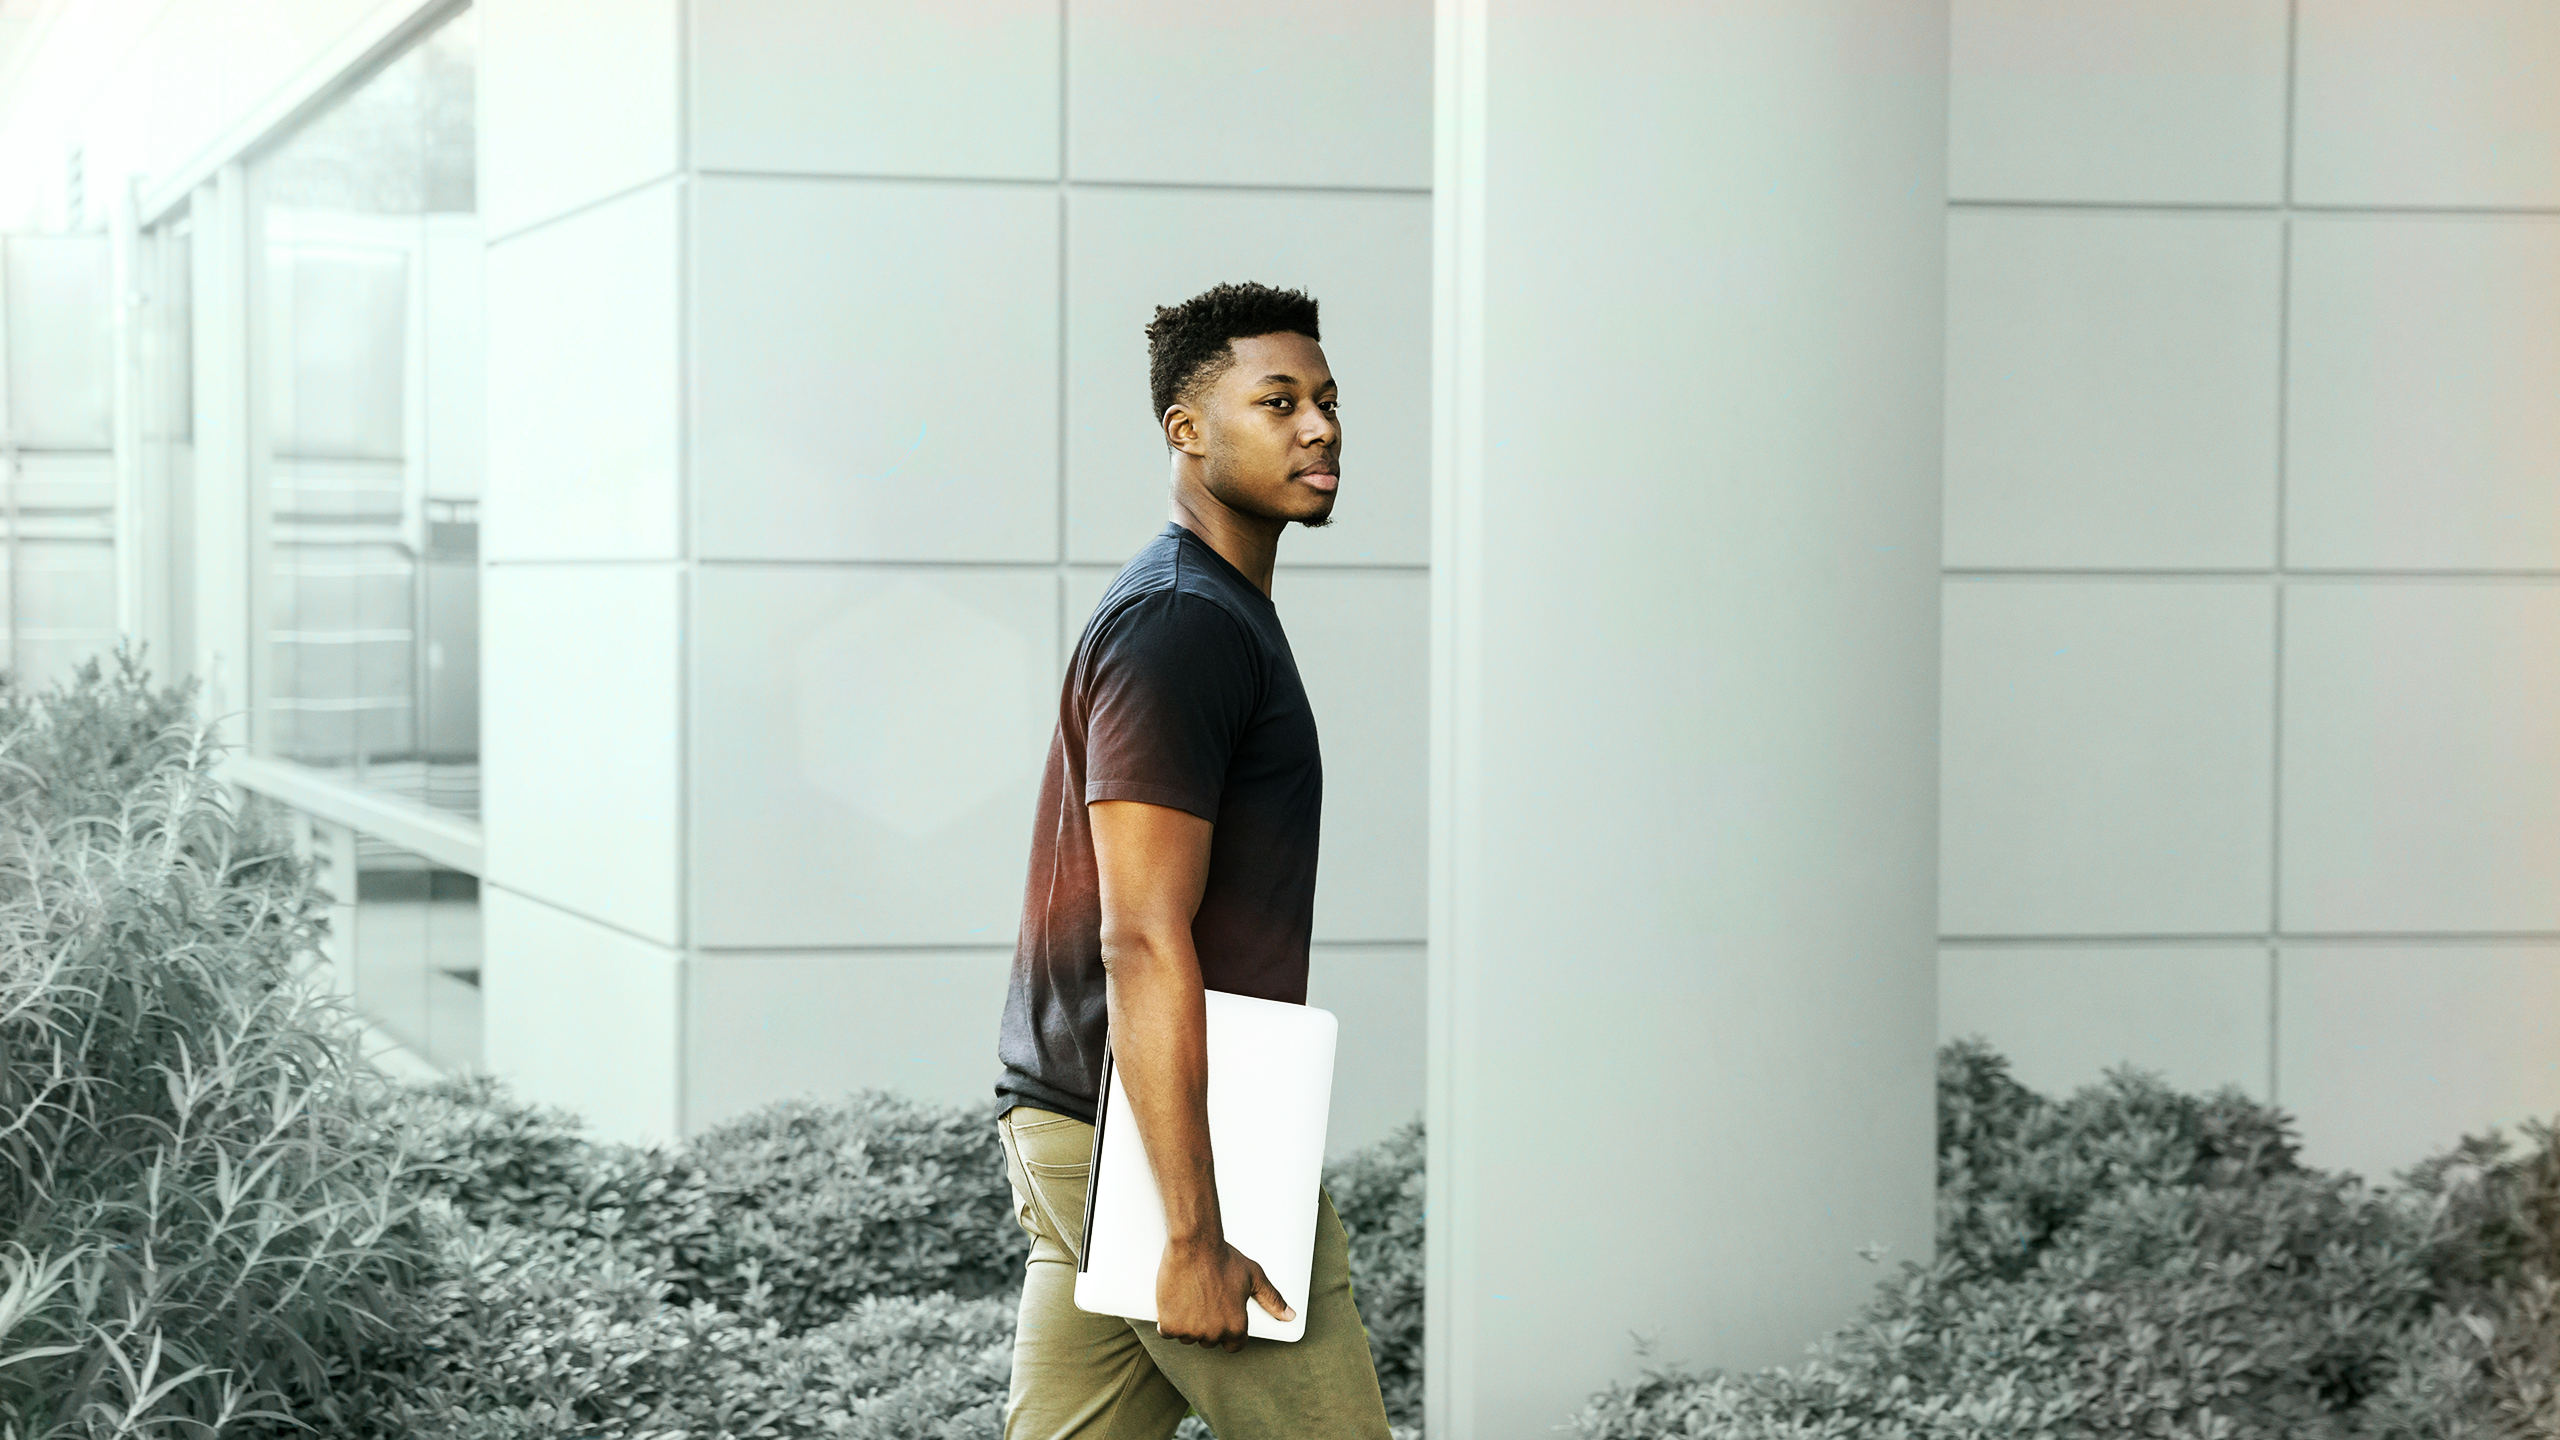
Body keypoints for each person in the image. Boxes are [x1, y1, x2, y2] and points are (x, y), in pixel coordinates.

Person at [992, 281, 1393, 1439]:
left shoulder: (1211, 612)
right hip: (1160, 1134)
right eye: (1276, 403)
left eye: (1325, 400)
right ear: (1185, 429)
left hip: (1109, 1120)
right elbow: (1140, 931)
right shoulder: (1182, 625)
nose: (1317, 427)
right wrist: (1189, 1232)